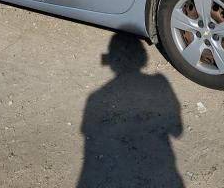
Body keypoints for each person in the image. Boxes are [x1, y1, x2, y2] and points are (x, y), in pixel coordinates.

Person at [77, 33, 184, 188]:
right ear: (143, 58)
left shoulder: (95, 98)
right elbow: (177, 130)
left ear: (112, 63)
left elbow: (90, 136)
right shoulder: (159, 84)